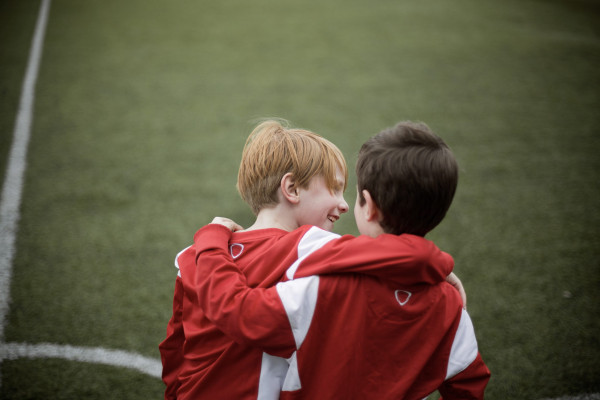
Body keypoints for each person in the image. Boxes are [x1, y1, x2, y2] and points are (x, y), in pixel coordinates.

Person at [159, 120, 463, 399]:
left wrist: (210, 237)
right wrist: (437, 266)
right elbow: (391, 252)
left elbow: (175, 349)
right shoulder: (311, 248)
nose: (344, 204)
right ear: (291, 188)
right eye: (335, 188)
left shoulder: (191, 258)